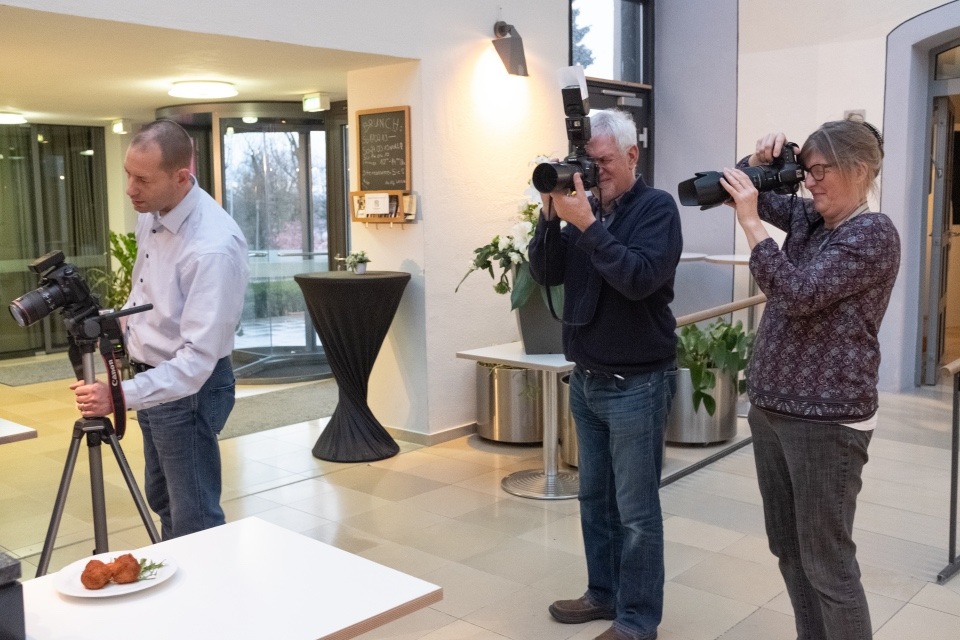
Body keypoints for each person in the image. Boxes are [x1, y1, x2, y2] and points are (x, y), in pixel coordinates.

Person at [719, 118, 900, 640]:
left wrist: (753, 226)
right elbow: (735, 189)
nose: (810, 182)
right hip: (772, 412)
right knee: (790, 550)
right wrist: (758, 162)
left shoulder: (872, 233)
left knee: (828, 563)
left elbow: (798, 294)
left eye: (821, 171)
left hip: (827, 423)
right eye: (807, 170)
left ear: (859, 171)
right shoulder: (809, 219)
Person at [530, 109, 682, 640]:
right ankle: (603, 592)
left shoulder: (656, 209)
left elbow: (638, 279)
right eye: (587, 163)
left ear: (633, 154)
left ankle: (638, 619)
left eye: (603, 161)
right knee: (594, 500)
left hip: (638, 384)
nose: (594, 173)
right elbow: (545, 273)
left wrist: (588, 226)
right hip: (588, 379)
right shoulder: (583, 212)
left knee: (636, 511)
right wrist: (550, 214)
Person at [72, 119, 249, 540]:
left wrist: (118, 396)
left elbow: (197, 362)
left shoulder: (212, 248)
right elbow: (147, 291)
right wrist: (119, 333)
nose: (130, 189)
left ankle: (203, 580)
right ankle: (177, 573)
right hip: (152, 377)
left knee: (194, 515)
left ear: (182, 177)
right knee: (163, 498)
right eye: (128, 175)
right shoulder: (152, 213)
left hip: (190, 389)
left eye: (143, 180)